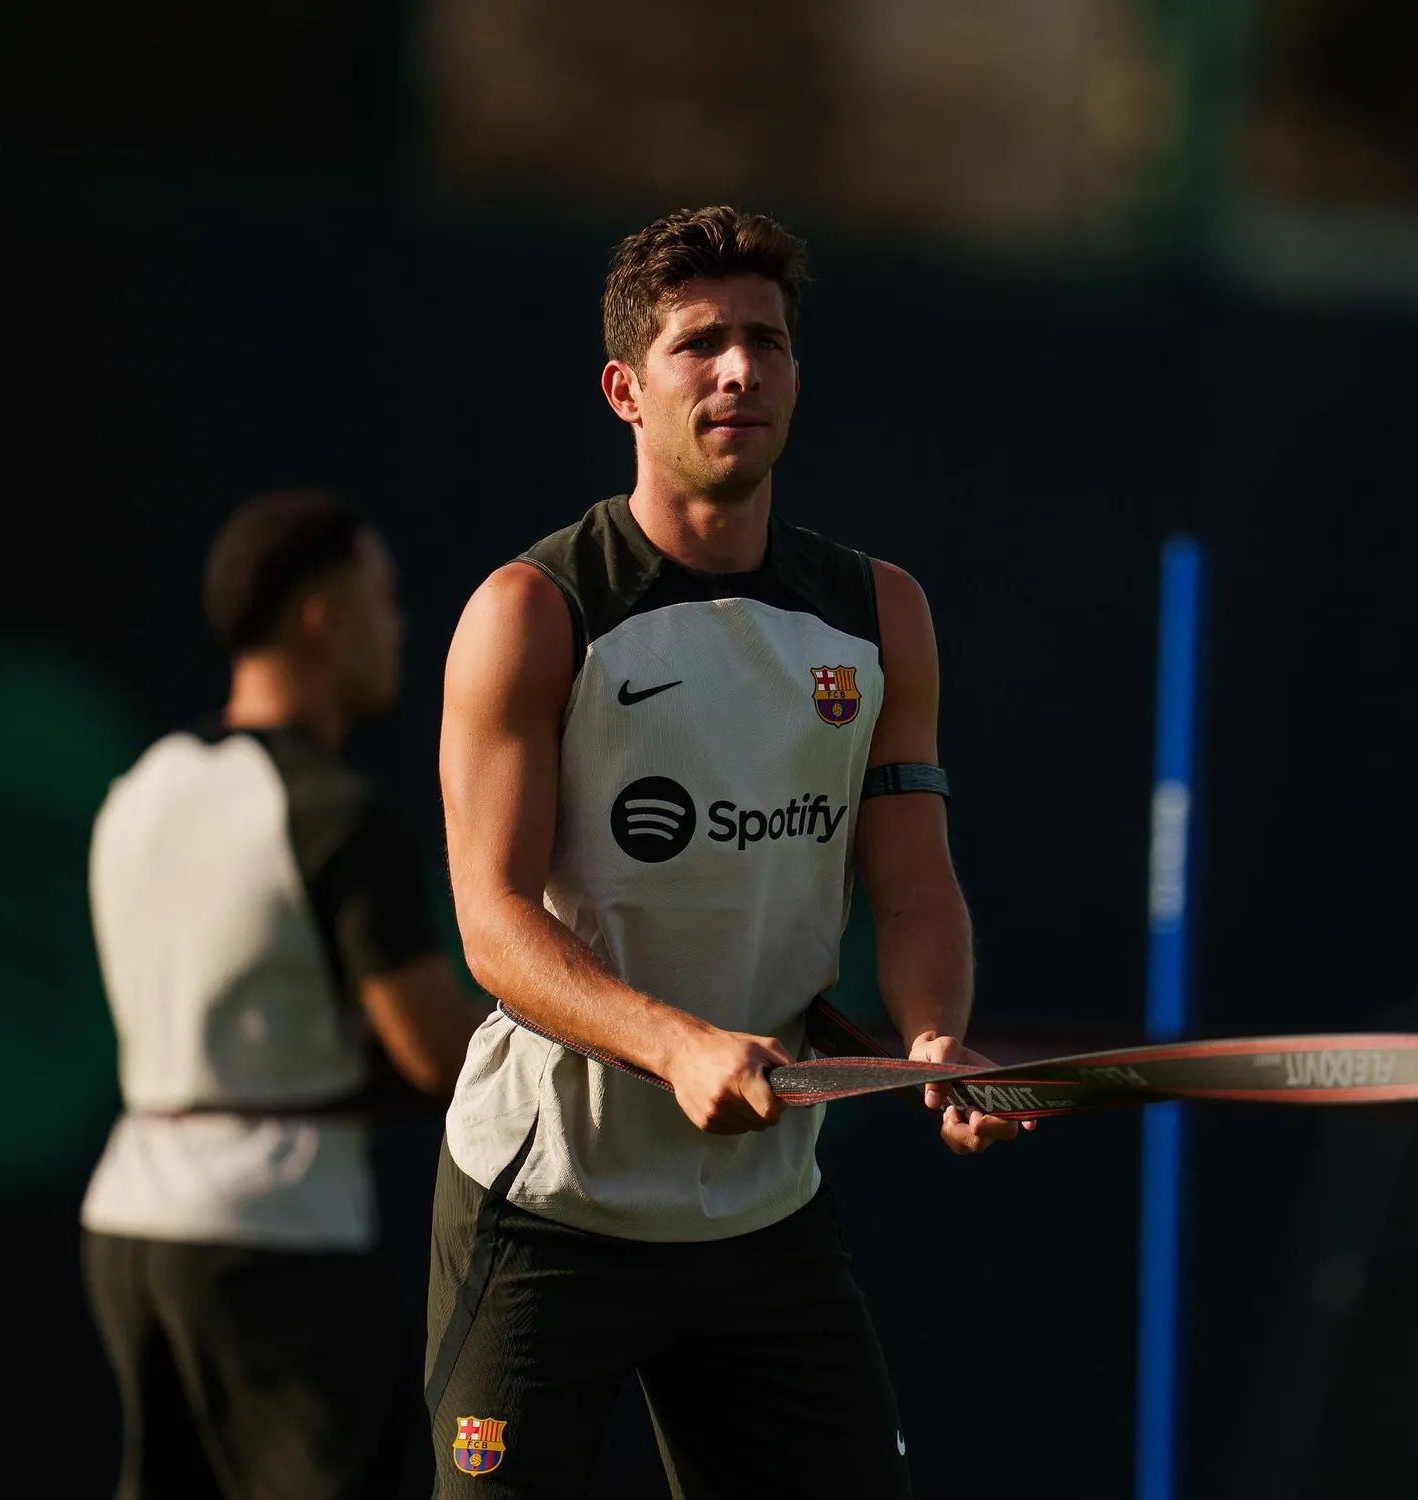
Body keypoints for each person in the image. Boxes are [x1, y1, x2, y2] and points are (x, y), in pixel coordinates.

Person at [429, 206, 1018, 1497]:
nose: (741, 369)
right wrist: (677, 1045)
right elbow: (493, 928)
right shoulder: (534, 611)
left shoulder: (880, 613)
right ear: (626, 391)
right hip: (549, 1201)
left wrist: (933, 1038)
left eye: (768, 340)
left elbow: (915, 888)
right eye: (700, 344)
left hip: (763, 1218)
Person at [81, 490, 481, 1499]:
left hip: (128, 1230)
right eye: (381, 601)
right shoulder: (338, 812)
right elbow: (440, 1055)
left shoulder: (139, 787)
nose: (398, 627)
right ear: (320, 618)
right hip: (275, 1244)